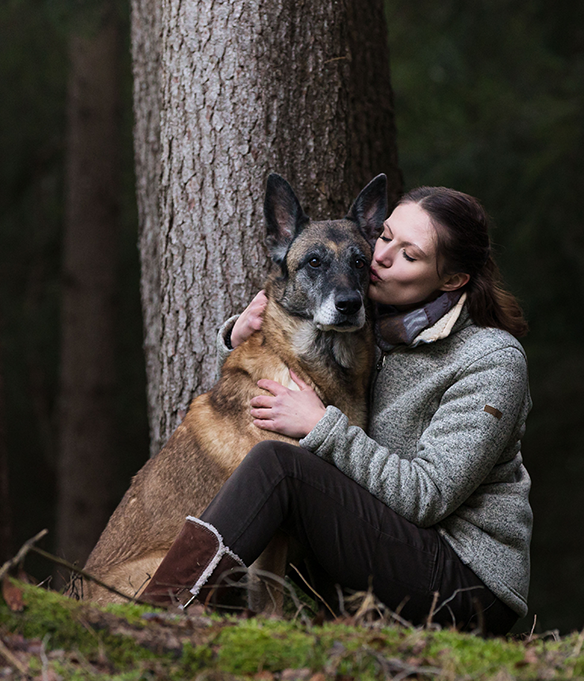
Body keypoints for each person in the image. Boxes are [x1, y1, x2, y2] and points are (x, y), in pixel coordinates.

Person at [141, 185, 533, 636]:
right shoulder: (381, 335)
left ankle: (156, 617)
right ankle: (177, 614)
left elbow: (429, 496)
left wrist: (319, 426)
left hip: (465, 583)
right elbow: (300, 351)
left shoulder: (491, 359)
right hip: (393, 550)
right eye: (384, 237)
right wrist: (238, 338)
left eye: (410, 255)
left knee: (279, 465)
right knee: (277, 463)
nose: (379, 257)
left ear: (451, 281)